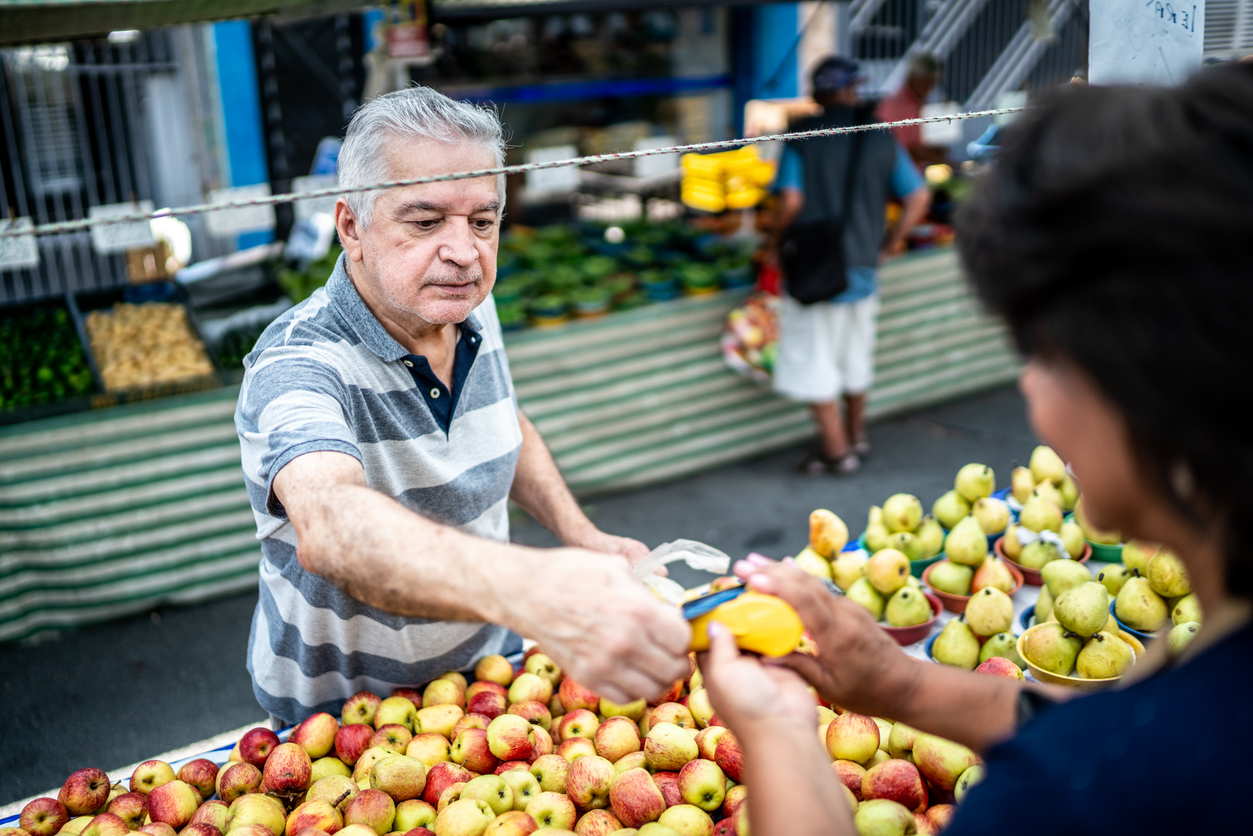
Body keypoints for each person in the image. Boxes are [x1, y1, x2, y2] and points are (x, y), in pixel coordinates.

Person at [699, 62, 1253, 835]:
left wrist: (777, 727)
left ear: (1149, 379)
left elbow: (1114, 752)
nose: (1028, 390)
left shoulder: (1081, 796)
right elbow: (1119, 721)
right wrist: (897, 684)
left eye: (1045, 353)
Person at [235, 87, 691, 723]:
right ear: (351, 226)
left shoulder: (467, 302)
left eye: (483, 221)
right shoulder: (297, 364)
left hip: (489, 678)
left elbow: (500, 422)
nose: (464, 251)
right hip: (343, 725)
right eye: (424, 222)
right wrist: (537, 590)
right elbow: (333, 526)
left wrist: (581, 537)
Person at [772, 56, 931, 474]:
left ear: (817, 94)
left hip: (814, 267)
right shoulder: (879, 135)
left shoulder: (802, 134)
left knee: (815, 358)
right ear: (853, 88)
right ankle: (856, 437)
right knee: (854, 357)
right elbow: (918, 197)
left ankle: (837, 452)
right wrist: (888, 244)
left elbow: (791, 200)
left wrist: (773, 242)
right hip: (863, 266)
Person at [876, 52, 949, 166]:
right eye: (927, 82)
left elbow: (914, 145)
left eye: (932, 83)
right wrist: (942, 161)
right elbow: (902, 150)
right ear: (915, 78)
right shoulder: (896, 106)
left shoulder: (916, 103)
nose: (930, 88)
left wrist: (933, 151)